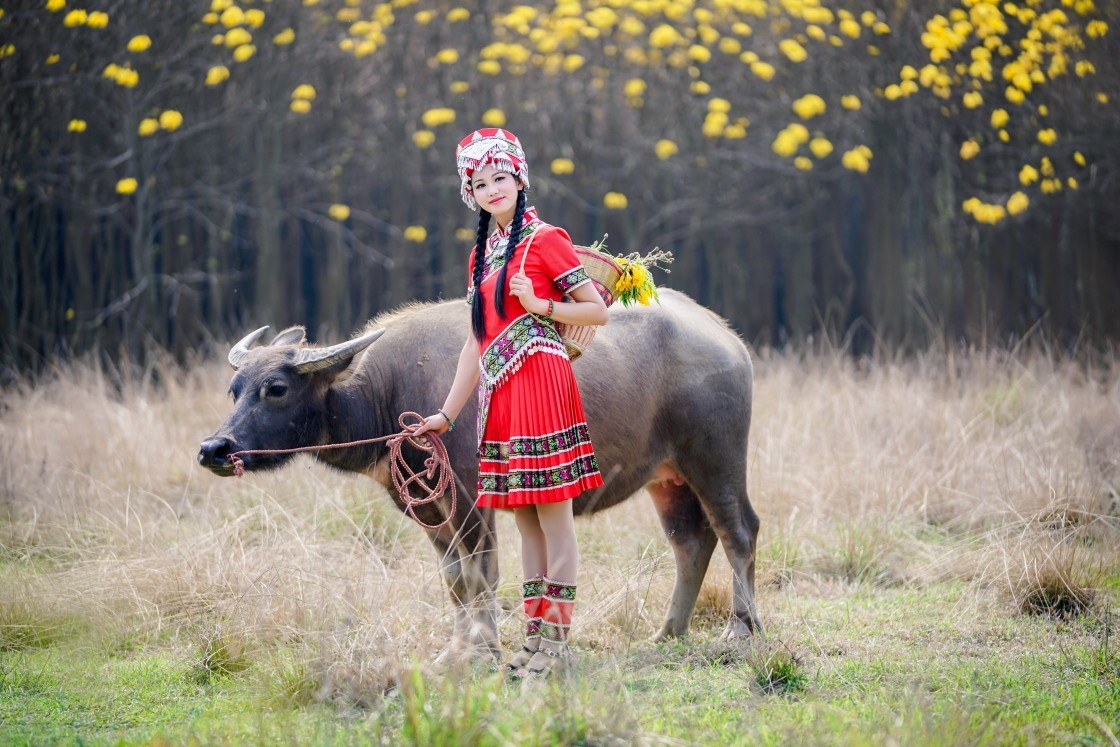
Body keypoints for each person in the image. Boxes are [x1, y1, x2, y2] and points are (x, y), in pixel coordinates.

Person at [413, 128, 609, 678]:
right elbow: (476, 344)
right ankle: (531, 642)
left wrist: (539, 303)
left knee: (554, 517)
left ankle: (556, 643)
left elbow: (595, 312)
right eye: (479, 183)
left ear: (519, 178)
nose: (492, 188)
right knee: (524, 521)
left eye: (501, 177)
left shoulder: (546, 240)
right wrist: (446, 414)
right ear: (469, 194)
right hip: (500, 393)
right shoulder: (480, 254)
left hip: (542, 381)